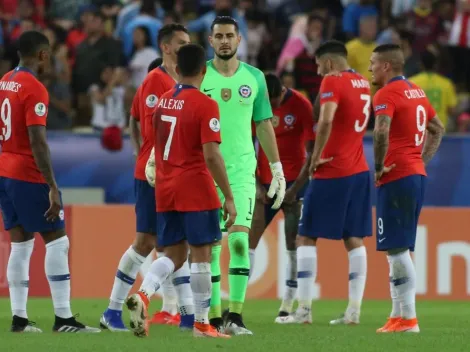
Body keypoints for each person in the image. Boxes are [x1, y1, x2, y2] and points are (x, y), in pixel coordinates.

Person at [126, 43, 236, 339]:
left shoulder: (162, 101)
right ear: (205, 70)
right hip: (195, 187)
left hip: (165, 187)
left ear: (176, 68)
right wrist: (229, 195)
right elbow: (211, 155)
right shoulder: (205, 104)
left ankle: (145, 295)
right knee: (201, 254)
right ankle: (201, 323)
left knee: (173, 254)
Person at [0, 30, 100, 333]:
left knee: (20, 244)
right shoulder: (35, 88)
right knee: (58, 241)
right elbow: (38, 140)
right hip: (27, 173)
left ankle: (19, 319)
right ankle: (64, 318)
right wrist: (52, 185)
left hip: (4, 169)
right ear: (42, 55)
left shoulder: (4, 81)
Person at [100, 24, 190, 331]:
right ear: (165, 47)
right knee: (145, 242)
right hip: (156, 175)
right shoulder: (156, 80)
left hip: (174, 172)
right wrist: (146, 155)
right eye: (180, 43)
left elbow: (134, 120)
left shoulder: (181, 82)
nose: (185, 47)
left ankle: (181, 312)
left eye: (188, 43)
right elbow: (149, 125)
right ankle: (111, 311)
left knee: (175, 243)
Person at [200, 16, 286, 335]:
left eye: (229, 36)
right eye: (218, 36)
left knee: (238, 240)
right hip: (205, 171)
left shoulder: (256, 78)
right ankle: (211, 316)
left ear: (239, 41)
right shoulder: (200, 76)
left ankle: (234, 316)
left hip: (241, 173)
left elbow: (263, 124)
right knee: (210, 245)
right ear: (211, 41)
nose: (224, 41)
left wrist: (277, 169)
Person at [286, 40, 372, 325]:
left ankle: (304, 310)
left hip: (332, 169)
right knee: (353, 238)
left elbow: (324, 121)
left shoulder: (332, 82)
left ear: (331, 63)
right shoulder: (362, 82)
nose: (319, 71)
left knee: (306, 236)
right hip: (359, 169)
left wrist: (315, 157)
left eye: (320, 65)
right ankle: (354, 311)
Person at [370, 44, 444, 333]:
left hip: (396, 175)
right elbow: (437, 129)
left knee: (398, 249)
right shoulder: (417, 91)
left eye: (374, 63)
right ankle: (397, 314)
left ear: (387, 66)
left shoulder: (386, 94)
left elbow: (380, 130)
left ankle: (410, 319)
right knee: (396, 247)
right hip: (413, 174)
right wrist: (419, 160)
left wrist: (378, 166)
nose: (370, 68)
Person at [248, 73, 315, 322]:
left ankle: (287, 303)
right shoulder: (255, 104)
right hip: (266, 184)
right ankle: (237, 304)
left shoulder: (301, 105)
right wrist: (257, 185)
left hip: (294, 184)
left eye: (274, 102)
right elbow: (247, 145)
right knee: (250, 239)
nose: (272, 108)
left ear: (281, 93)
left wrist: (295, 189)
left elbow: (312, 152)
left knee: (292, 243)